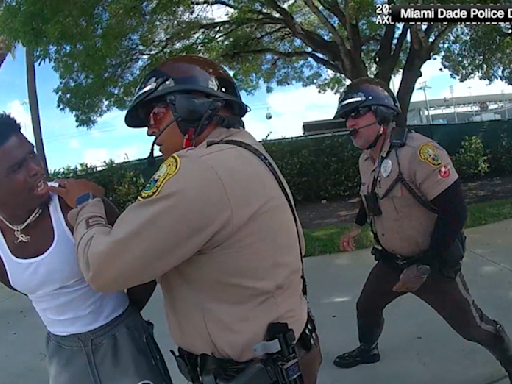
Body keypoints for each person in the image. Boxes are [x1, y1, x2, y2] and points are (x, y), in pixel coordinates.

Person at [48, 55, 322, 384]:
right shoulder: (247, 153)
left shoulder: (199, 170)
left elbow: (103, 270)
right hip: (290, 353)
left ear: (191, 106)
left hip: (250, 372)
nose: (151, 128)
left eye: (156, 113)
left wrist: (86, 204)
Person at [330, 77, 512, 381]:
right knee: (367, 306)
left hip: (432, 264)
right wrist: (356, 226)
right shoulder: (367, 159)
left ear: (381, 114)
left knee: (473, 327)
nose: (349, 123)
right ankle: (368, 348)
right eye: (346, 117)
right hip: (391, 262)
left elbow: (455, 212)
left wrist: (426, 265)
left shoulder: (419, 152)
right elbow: (370, 196)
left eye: (357, 114)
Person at [0, 113, 173, 384]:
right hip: (63, 355)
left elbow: (141, 260)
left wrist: (124, 321)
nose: (35, 168)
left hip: (122, 340)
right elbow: (21, 283)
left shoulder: (74, 203)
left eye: (32, 155)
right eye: (17, 167)